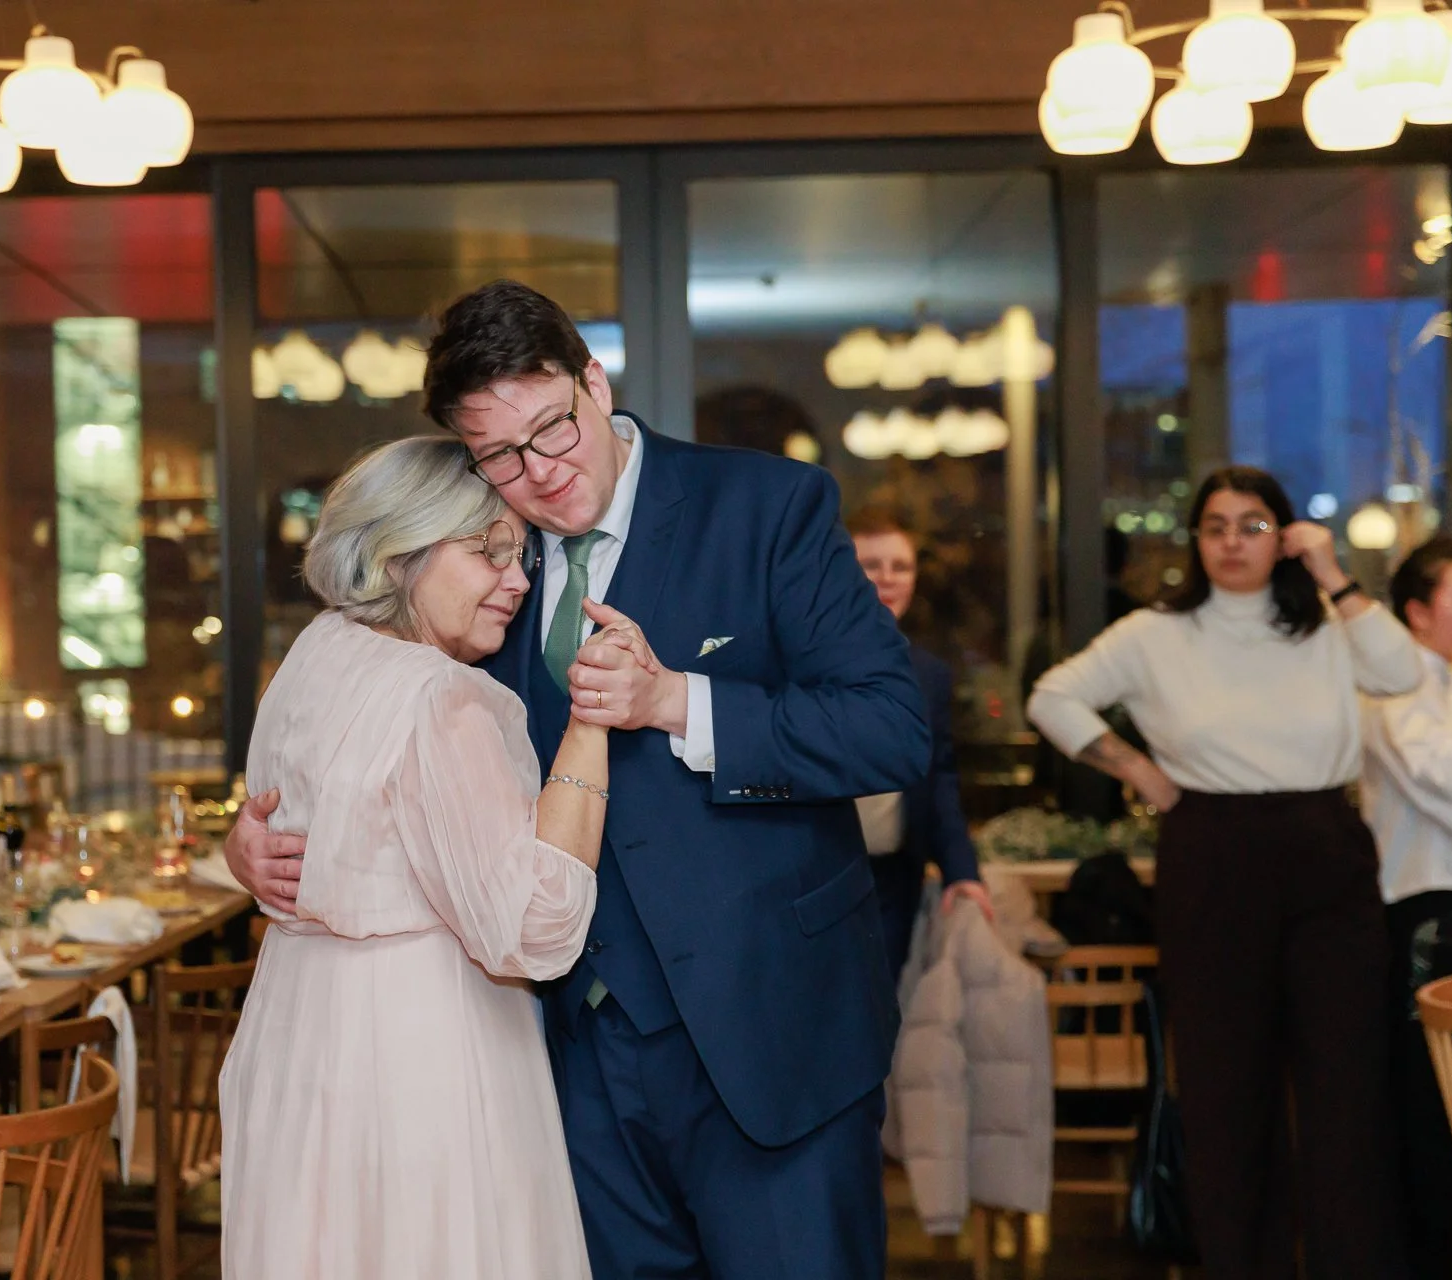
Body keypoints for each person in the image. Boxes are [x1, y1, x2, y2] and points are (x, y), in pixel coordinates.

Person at [229, 280, 931, 1279]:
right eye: (497, 457)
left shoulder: (766, 506)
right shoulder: (476, 569)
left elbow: (891, 729)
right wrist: (253, 837)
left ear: (594, 384)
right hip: (567, 1052)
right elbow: (383, 738)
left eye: (551, 430)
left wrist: (680, 699)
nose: (538, 474)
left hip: (768, 1030)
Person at [216, 436, 614, 1278]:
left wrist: (238, 849)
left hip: (297, 1039)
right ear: (399, 555)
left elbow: (309, 818)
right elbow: (532, 931)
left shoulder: (314, 652)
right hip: (417, 1054)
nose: (518, 579)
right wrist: (590, 725)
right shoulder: (445, 695)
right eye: (488, 553)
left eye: (520, 557)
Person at [1026, 464, 1419, 1280]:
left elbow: (1401, 673)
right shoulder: (1154, 635)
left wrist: (1333, 573)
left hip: (1325, 845)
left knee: (1347, 1085)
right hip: (1211, 847)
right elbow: (1053, 697)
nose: (1233, 541)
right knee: (1225, 1089)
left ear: (1284, 535)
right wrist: (1137, 770)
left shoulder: (1328, 625)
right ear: (1195, 540)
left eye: (1252, 524)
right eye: (1215, 526)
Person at [1360, 536, 1452, 1280]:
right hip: (1432, 915)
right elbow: (1450, 794)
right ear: (1416, 614)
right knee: (1438, 1112)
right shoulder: (1395, 691)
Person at [848, 510, 991, 975]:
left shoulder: (929, 673)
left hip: (895, 878)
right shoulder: (797, 660)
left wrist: (962, 873)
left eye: (901, 567)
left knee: (884, 1026)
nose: (887, 579)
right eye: (871, 564)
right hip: (815, 874)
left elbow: (940, 778)